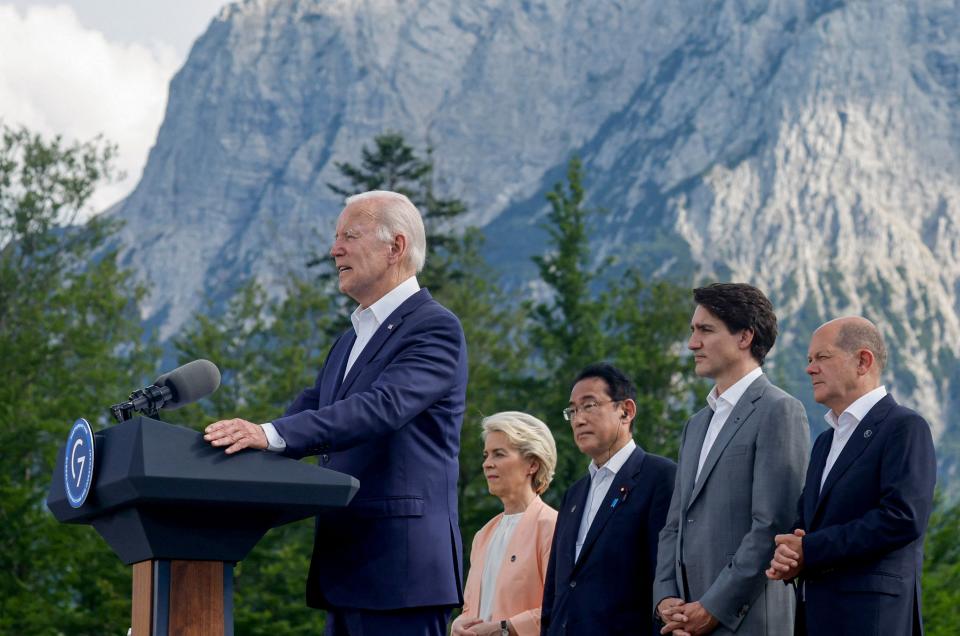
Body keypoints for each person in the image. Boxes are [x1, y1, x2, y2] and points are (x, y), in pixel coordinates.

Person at [204, 190, 468, 636]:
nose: (334, 249)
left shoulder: (434, 327)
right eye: (335, 237)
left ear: (396, 247)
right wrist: (225, 454)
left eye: (350, 235)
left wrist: (266, 434)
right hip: (348, 572)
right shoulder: (349, 339)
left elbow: (381, 408)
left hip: (401, 574)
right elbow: (312, 407)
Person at [654, 283, 809, 636]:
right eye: (693, 331)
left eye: (705, 330)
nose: (693, 343)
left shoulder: (780, 410)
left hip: (748, 621)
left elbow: (772, 526)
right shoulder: (696, 424)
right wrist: (665, 597)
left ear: (745, 337)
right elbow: (674, 524)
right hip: (683, 622)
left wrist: (712, 608)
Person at [767, 316, 936, 636]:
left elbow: (902, 519)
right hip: (815, 616)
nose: (809, 368)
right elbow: (807, 522)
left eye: (822, 357)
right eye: (808, 360)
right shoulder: (825, 442)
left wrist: (811, 549)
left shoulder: (904, 427)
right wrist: (789, 553)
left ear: (863, 361)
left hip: (871, 618)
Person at [541, 363, 677, 636]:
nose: (578, 419)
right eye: (573, 410)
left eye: (589, 405)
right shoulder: (574, 494)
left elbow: (666, 577)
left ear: (626, 411)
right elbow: (556, 591)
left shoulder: (660, 477)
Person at [452, 412, 559, 636]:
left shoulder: (553, 526)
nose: (487, 464)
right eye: (486, 455)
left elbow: (561, 607)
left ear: (532, 464)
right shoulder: (484, 534)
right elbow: (472, 609)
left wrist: (504, 629)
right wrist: (459, 624)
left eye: (498, 454)